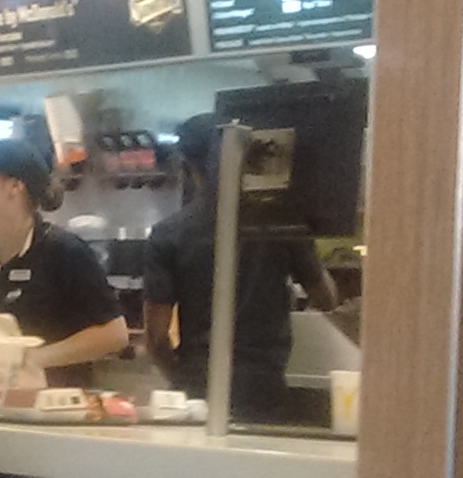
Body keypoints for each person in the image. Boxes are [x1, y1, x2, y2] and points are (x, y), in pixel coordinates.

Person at [142, 113, 339, 420]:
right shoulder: (281, 223)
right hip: (264, 383)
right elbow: (326, 297)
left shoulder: (169, 233)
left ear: (186, 164)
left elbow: (156, 338)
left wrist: (181, 376)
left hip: (197, 383)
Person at [0, 136, 129, 383]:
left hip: (53, 398)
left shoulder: (64, 251)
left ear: (15, 186)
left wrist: (35, 359)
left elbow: (114, 334)